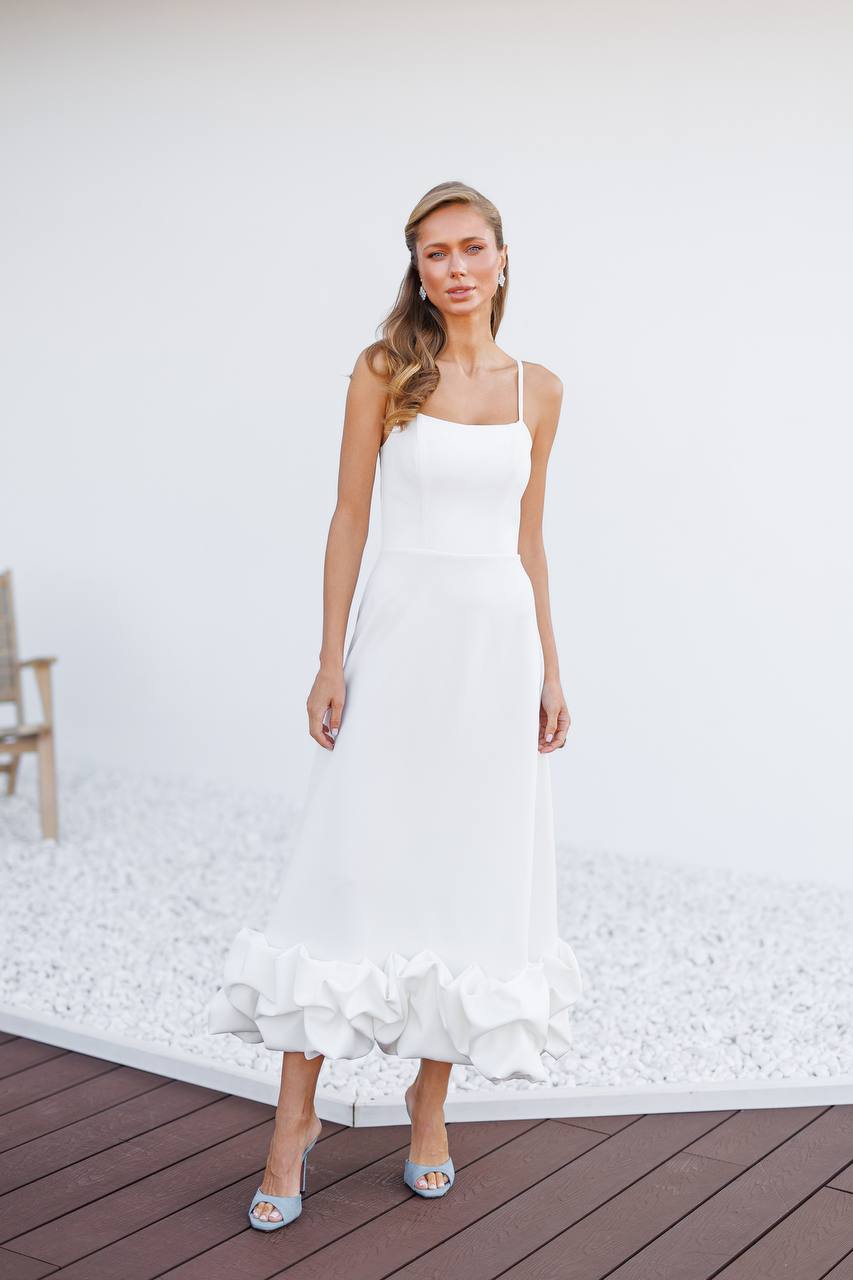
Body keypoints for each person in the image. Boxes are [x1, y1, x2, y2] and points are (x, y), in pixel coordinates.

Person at [207, 179, 584, 1228]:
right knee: (348, 867)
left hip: (494, 648)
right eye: (432, 253)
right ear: (415, 268)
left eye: (469, 248)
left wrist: (551, 666)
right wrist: (329, 656)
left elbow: (529, 539)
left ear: (502, 259)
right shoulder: (384, 372)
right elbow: (346, 517)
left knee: (462, 871)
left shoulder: (537, 390)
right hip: (403, 637)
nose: (452, 267)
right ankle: (295, 1121)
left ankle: (429, 1108)